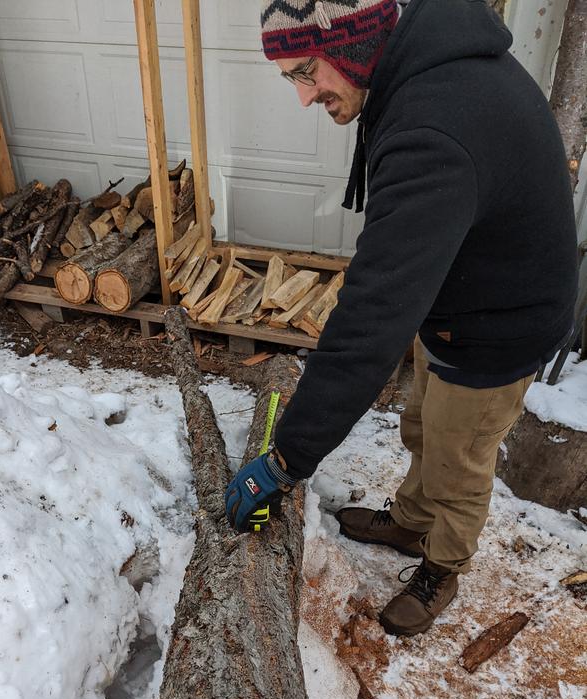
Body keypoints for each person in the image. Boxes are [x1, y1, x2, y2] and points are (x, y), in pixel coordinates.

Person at [224, 0, 578, 637]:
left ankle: (443, 564)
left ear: (355, 44)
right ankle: (413, 524)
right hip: (458, 289)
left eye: (307, 72)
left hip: (500, 321)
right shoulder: (424, 64)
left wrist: (285, 460)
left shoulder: (432, 131)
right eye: (290, 78)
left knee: (459, 455)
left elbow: (372, 321)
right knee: (423, 423)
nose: (304, 98)